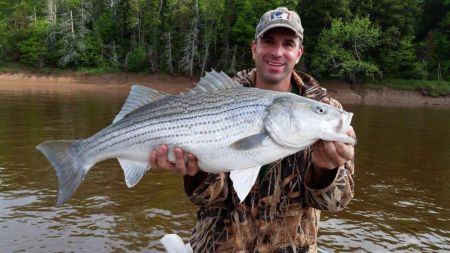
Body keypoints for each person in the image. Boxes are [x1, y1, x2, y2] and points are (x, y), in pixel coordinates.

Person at [150, 7, 355, 253]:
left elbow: (336, 203)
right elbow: (205, 199)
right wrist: (195, 172)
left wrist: (324, 170)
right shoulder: (218, 98)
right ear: (254, 48)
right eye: (268, 41)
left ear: (298, 53)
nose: (277, 52)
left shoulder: (327, 111)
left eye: (288, 44)